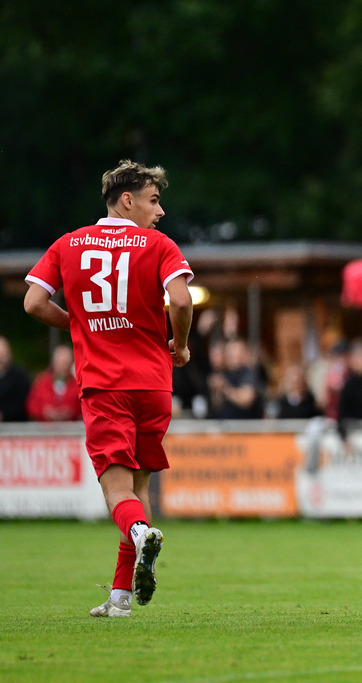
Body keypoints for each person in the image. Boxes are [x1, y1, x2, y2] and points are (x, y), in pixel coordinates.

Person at [23, 159, 193, 617]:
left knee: (117, 494)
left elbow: (34, 301)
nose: (160, 212)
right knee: (138, 489)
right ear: (127, 200)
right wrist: (180, 344)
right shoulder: (158, 245)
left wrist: (79, 326)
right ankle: (120, 598)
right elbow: (180, 298)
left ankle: (141, 536)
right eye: (154, 201)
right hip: (154, 384)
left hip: (105, 384)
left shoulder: (69, 244)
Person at [26, 344, 83, 422]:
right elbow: (31, 406)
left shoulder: (78, 385)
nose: (63, 367)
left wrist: (71, 412)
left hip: (71, 430)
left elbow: (84, 408)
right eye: (60, 363)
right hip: (45, 430)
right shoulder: (42, 382)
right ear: (54, 362)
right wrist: (44, 412)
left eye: (66, 363)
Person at [0, 335, 32, 423]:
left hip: (15, 425)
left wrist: (4, 414)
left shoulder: (20, 376)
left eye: (3, 355)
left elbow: (25, 402)